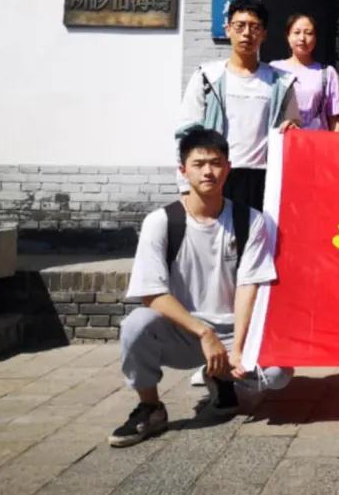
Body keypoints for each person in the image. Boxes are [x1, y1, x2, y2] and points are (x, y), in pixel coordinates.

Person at [111, 128, 292, 447]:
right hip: (184, 332)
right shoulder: (162, 221)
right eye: (199, 164)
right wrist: (204, 333)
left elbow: (249, 285)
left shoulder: (250, 220)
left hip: (233, 331)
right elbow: (151, 293)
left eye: (216, 163)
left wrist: (239, 349)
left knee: (278, 374)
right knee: (135, 326)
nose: (208, 171)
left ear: (228, 168)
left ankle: (221, 378)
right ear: (183, 170)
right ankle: (150, 407)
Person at [176, 0, 300, 211]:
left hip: (265, 179)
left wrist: (293, 127)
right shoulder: (207, 77)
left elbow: (294, 127)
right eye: (240, 26)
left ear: (264, 33)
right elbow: (186, 132)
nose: (247, 33)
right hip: (217, 175)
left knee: (259, 233)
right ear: (228, 30)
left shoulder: (281, 82)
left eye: (254, 27)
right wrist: (185, 186)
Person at [270, 13, 339, 131]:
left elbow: (334, 119)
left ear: (316, 38)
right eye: (296, 32)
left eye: (308, 33)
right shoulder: (275, 69)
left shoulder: (327, 73)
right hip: (283, 138)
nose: (302, 38)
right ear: (288, 36)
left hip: (316, 139)